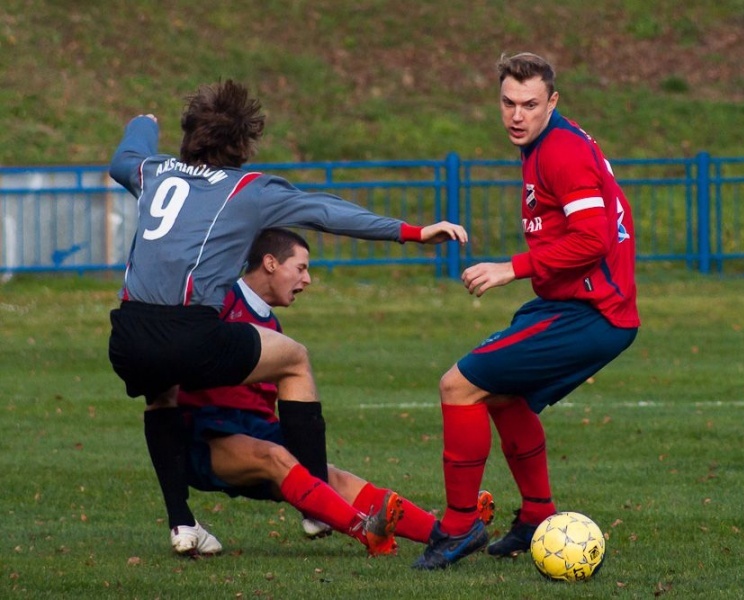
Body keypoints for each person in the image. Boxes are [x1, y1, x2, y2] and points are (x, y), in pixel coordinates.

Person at [107, 80, 468, 556]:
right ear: (244, 143)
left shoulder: (153, 171)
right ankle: (317, 503)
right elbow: (324, 211)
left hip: (127, 335)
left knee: (161, 395)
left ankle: (182, 523)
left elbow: (122, 159)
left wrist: (142, 125)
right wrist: (412, 231)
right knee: (294, 359)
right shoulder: (248, 190)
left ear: (190, 134)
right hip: (188, 331)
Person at [413, 52, 640, 570]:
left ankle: (457, 525)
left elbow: (593, 237)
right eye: (508, 103)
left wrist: (509, 267)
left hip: (593, 312)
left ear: (552, 101)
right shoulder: (548, 143)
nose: (518, 115)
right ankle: (538, 515)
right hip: (573, 304)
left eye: (531, 104)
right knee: (502, 396)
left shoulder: (560, 152)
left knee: (458, 385)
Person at [177, 227, 494, 554]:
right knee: (275, 456)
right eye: (300, 268)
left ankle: (445, 534)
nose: (308, 279)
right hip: (208, 437)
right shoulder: (221, 299)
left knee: (334, 477)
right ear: (270, 263)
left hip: (257, 432)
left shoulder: (271, 325)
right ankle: (366, 531)